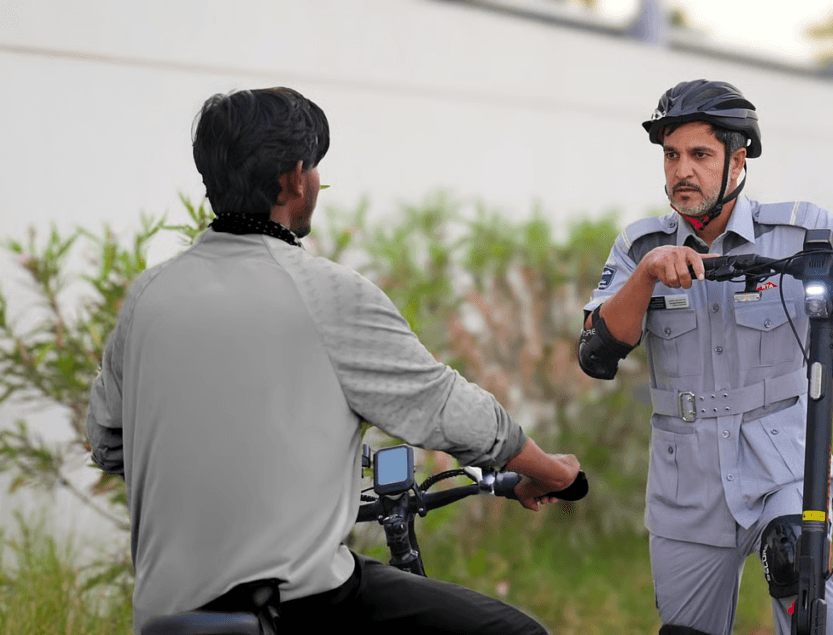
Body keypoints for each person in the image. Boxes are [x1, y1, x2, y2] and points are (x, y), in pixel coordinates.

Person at [86, 86, 580, 635]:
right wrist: (553, 472)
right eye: (316, 167)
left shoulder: (148, 295)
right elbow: (451, 411)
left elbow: (109, 445)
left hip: (163, 613)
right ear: (296, 178)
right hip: (296, 607)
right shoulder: (325, 292)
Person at [577, 79, 833, 635]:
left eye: (700, 154)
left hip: (782, 462)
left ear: (738, 158)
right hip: (687, 480)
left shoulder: (799, 231)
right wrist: (652, 272)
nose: (682, 171)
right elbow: (598, 350)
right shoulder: (640, 246)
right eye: (671, 155)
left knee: (796, 563)